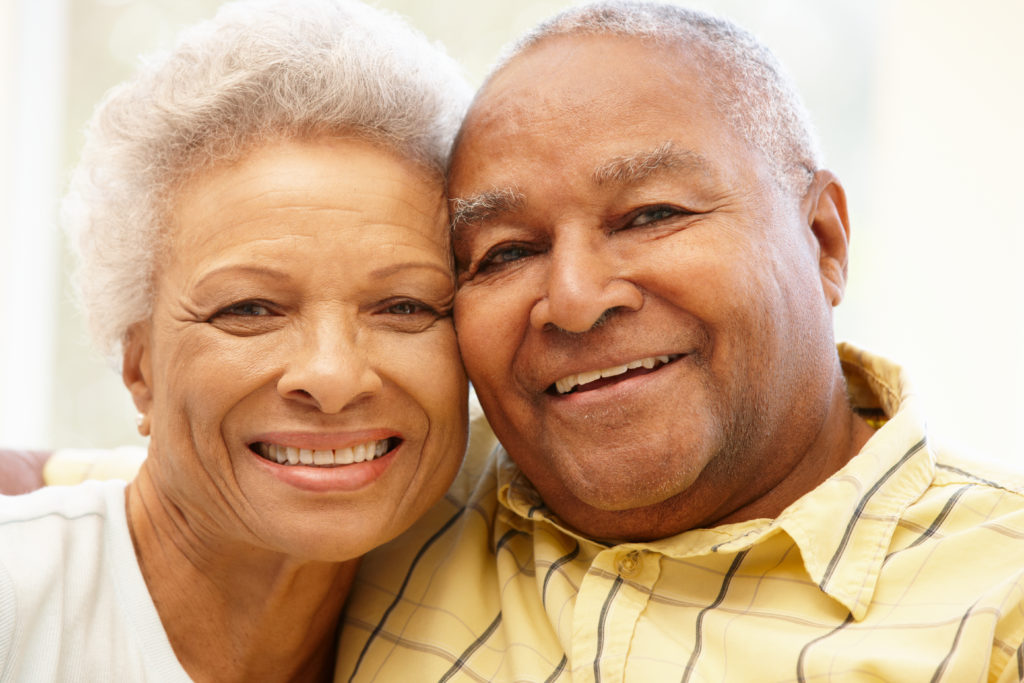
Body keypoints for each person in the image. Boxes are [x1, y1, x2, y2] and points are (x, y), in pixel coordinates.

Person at [332, 3, 1024, 681]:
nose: (573, 300)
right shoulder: (384, 504)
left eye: (651, 214)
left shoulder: (1002, 600)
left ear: (823, 240)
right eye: (506, 252)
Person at [0, 0, 472, 680]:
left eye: (404, 305)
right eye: (250, 308)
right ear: (139, 366)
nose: (334, 375)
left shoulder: (490, 611)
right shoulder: (18, 596)